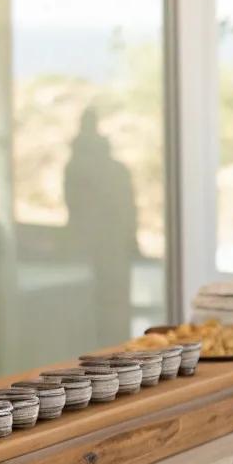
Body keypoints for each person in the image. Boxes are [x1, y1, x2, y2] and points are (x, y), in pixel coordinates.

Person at [63, 106, 140, 346]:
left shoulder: (105, 170)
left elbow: (127, 209)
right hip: (93, 248)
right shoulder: (79, 169)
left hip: (110, 247)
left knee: (111, 310)